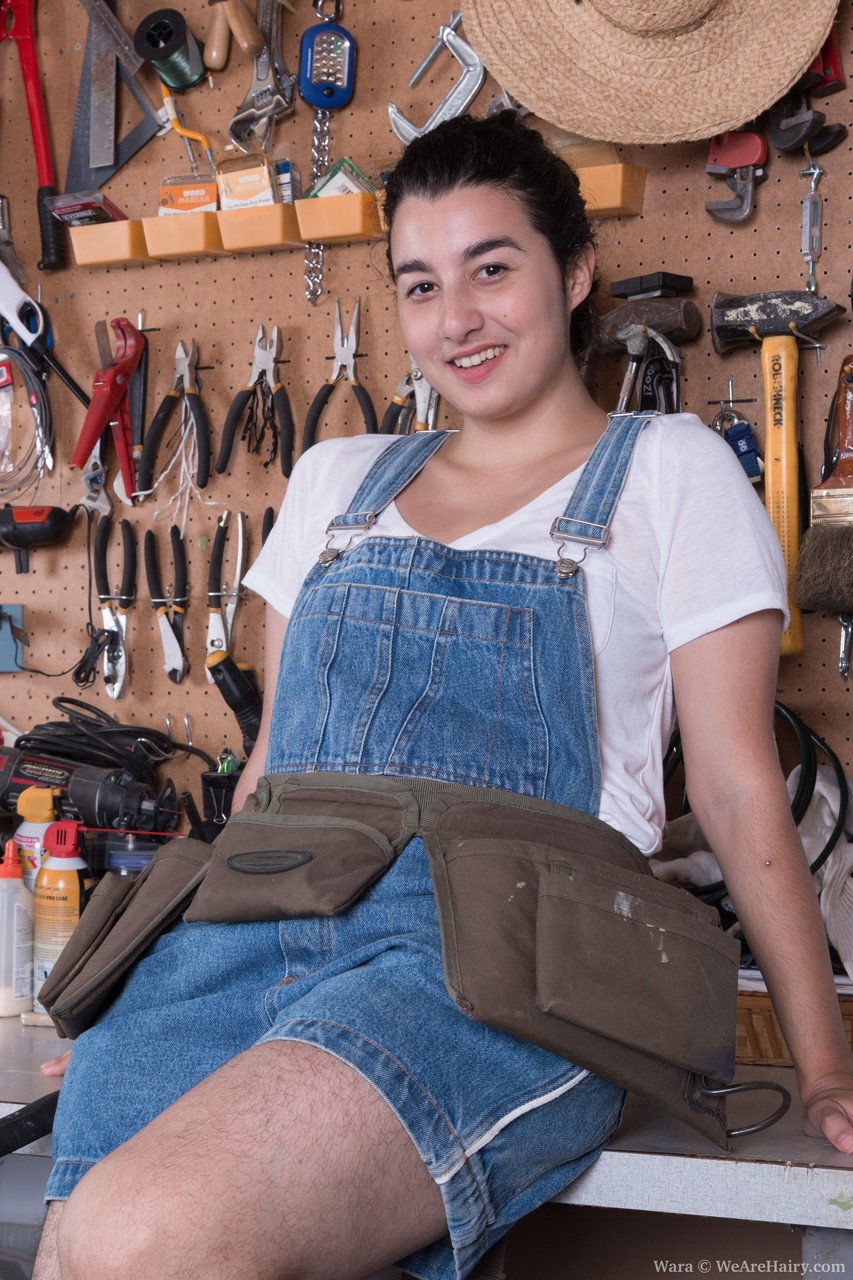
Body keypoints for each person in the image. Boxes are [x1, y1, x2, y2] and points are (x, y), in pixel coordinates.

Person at [34, 111, 853, 1280]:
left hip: (506, 959)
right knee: (75, 1239)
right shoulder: (335, 479)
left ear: (572, 274)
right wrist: (150, 983)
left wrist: (824, 1063)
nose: (454, 317)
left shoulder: (669, 470)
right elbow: (269, 778)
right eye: (419, 283)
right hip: (258, 927)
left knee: (141, 1234)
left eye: (491, 268)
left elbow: (733, 786)